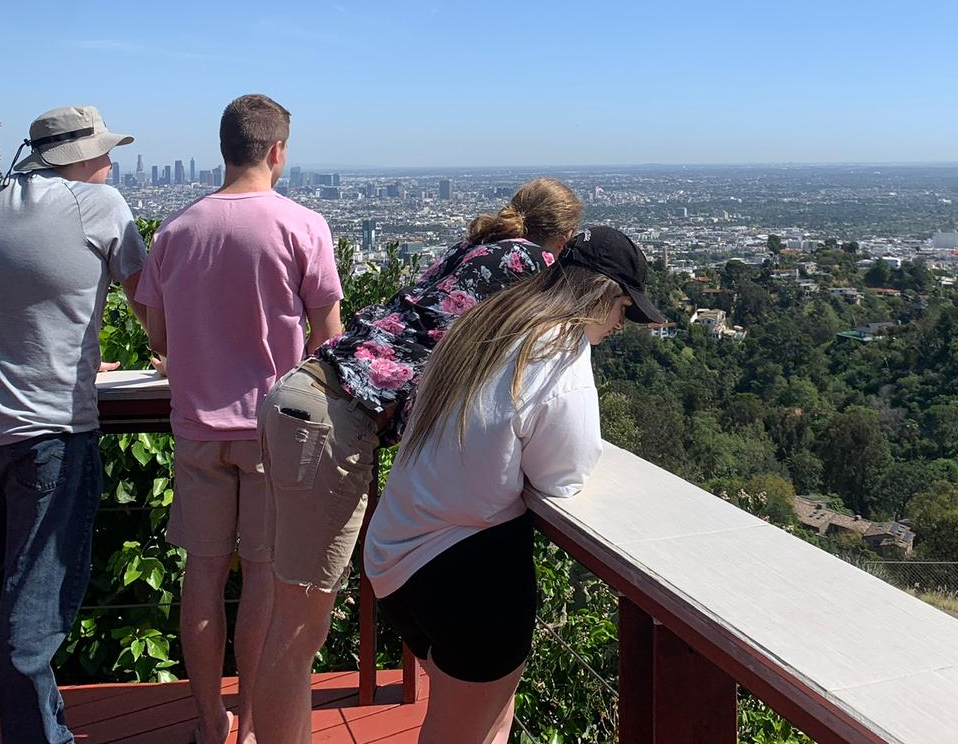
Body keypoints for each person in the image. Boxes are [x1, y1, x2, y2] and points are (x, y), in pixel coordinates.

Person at [252, 177, 583, 744]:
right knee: (299, 626)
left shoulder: (477, 247)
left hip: (308, 395)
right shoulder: (533, 266)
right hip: (335, 413)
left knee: (291, 615)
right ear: (561, 236)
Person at [364, 226, 661, 744]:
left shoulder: (493, 320)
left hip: (396, 555)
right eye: (622, 310)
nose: (619, 325)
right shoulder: (560, 352)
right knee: (460, 734)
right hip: (465, 575)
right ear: (603, 295)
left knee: (487, 719)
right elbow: (563, 475)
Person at [0, 105, 146, 744]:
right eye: (102, 151)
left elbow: (22, 306)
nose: (110, 161)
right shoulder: (99, 207)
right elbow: (151, 305)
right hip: (47, 435)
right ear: (73, 158)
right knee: (31, 619)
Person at [136, 94, 342, 744]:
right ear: (277, 150)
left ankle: (207, 723)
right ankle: (252, 727)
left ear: (224, 148)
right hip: (272, 431)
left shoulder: (176, 230)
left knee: (201, 572)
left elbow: (158, 335)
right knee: (262, 579)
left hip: (197, 428)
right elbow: (328, 341)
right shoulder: (302, 227)